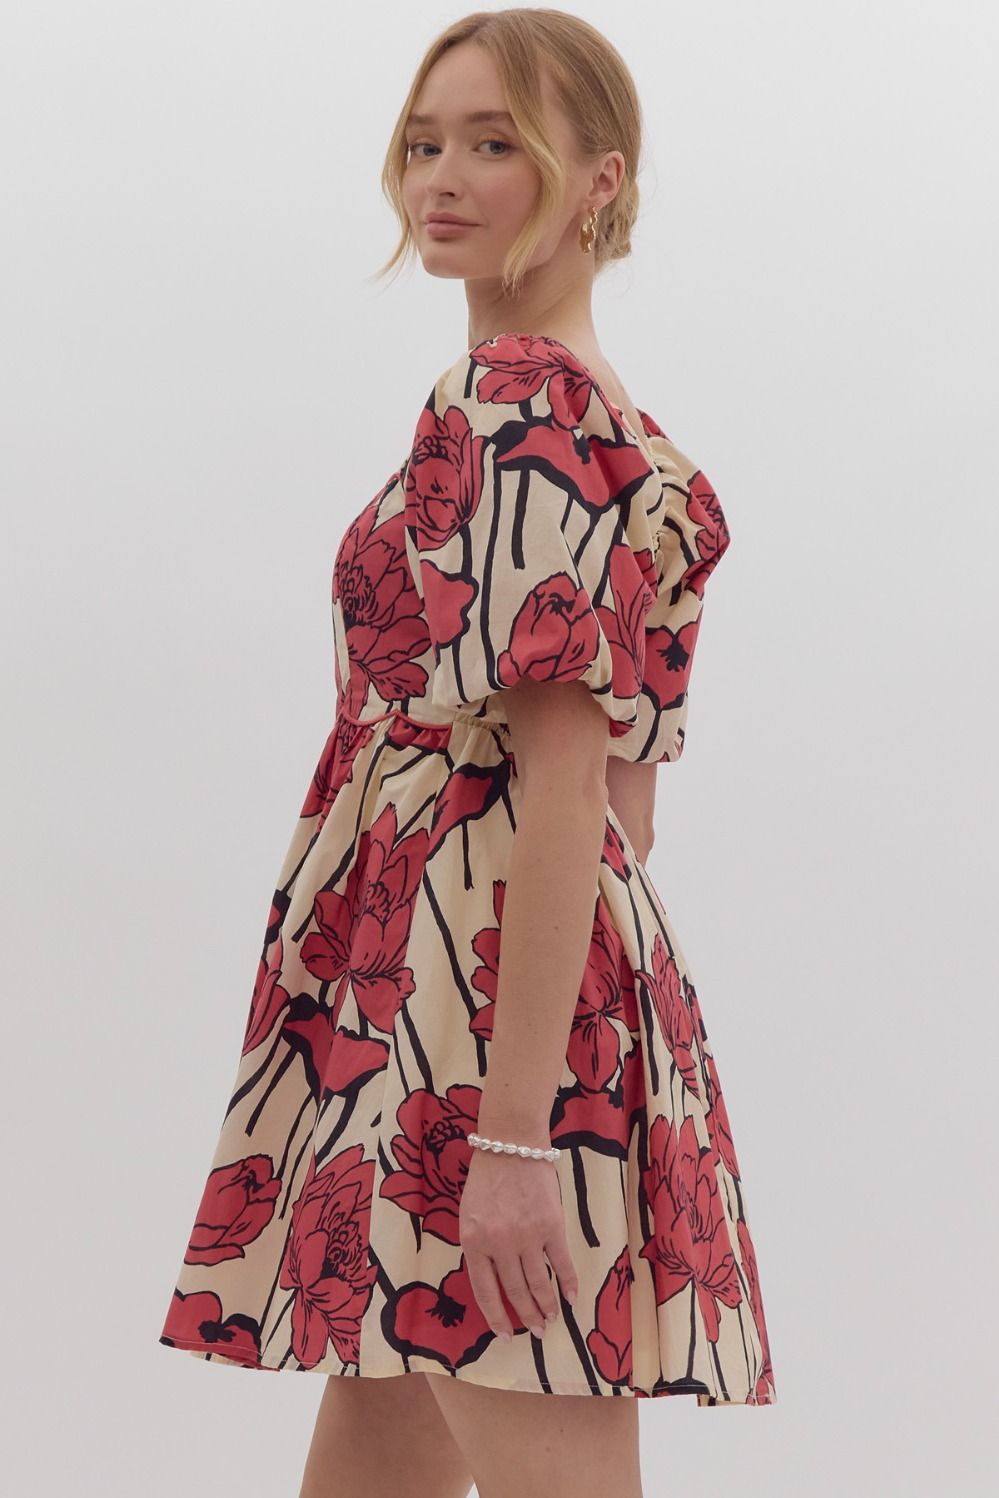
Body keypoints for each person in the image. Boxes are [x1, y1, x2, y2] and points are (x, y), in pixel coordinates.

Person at [157, 9, 776, 1497]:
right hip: (485, 1005)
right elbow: (632, 811)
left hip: (469, 1027)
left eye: (497, 143)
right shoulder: (634, 437)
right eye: (425, 141)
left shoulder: (513, 406)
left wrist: (511, 1139)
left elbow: (571, 793)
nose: (442, 175)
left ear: (598, 182)